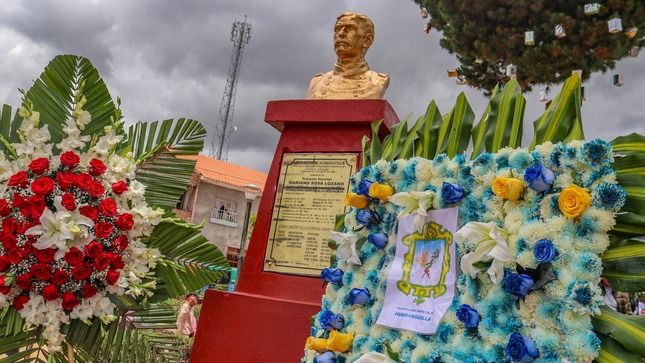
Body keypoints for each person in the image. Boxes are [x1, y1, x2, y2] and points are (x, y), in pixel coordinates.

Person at [306, 12, 389, 99]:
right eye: (337, 29)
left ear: (367, 40)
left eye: (350, 28)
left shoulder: (378, 81)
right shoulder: (316, 81)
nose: (341, 34)